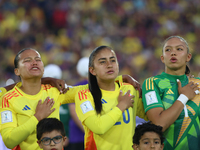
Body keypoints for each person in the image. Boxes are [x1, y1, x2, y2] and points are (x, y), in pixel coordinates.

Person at [72, 45, 147, 150]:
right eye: (102, 62)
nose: (109, 65)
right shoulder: (84, 96)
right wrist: (122, 105)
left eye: (113, 60)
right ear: (92, 70)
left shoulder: (129, 89)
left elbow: (148, 115)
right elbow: (98, 127)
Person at [0, 48, 76, 150]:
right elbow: (9, 141)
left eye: (38, 60)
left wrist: (45, 79)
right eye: (27, 60)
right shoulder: (8, 99)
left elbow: (89, 90)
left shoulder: (55, 91)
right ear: (17, 71)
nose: (34, 63)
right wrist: (37, 117)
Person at [142, 36, 200, 150]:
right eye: (168, 50)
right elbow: (158, 125)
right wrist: (184, 97)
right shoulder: (152, 83)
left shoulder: (197, 84)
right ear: (162, 58)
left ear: (188, 57)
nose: (173, 53)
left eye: (179, 49)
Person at [67, 57, 89, 150]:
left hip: (77, 137)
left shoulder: (74, 88)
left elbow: (73, 112)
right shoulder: (100, 87)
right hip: (94, 135)